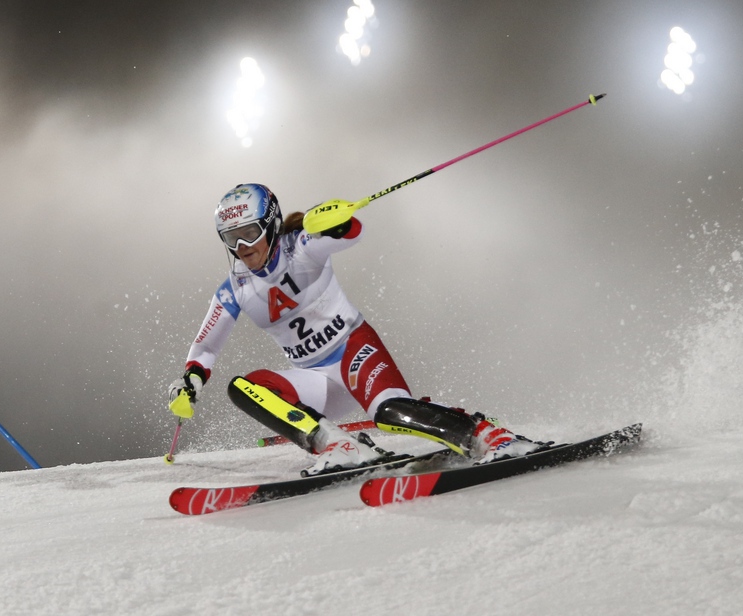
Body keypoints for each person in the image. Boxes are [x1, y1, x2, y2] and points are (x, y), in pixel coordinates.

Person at [167, 183, 547, 475]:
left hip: (353, 350)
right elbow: (205, 348)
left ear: (269, 224)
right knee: (244, 388)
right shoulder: (234, 288)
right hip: (317, 380)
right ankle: (338, 446)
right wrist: (190, 382)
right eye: (232, 238)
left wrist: (336, 221)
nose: (243, 246)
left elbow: (354, 234)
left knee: (391, 413)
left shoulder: (300, 247)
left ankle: (488, 435)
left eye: (250, 232)